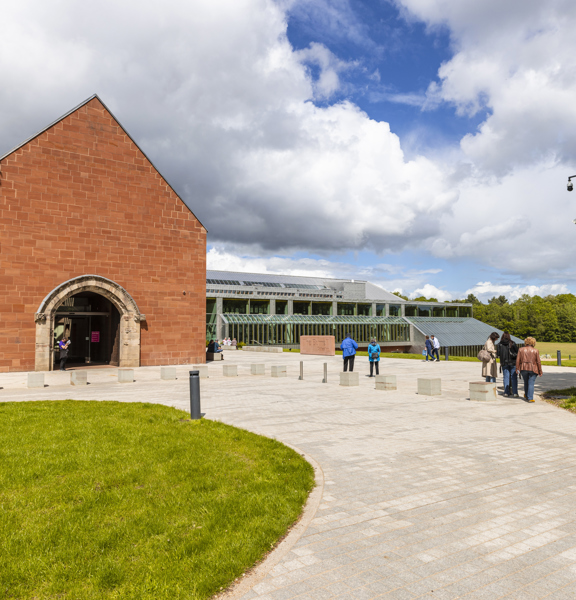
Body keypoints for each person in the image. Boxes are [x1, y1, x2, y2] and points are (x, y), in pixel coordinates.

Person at [516, 337, 542, 402]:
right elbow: (538, 362)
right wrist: (540, 371)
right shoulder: (536, 350)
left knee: (526, 382)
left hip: (523, 368)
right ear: (533, 343)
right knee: (531, 383)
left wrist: (517, 368)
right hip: (533, 368)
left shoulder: (521, 349)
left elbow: (517, 360)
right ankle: (530, 398)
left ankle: (527, 395)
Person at [497, 332, 519, 397]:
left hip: (504, 362)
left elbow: (498, 354)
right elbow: (517, 352)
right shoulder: (512, 343)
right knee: (514, 378)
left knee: (506, 377)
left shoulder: (500, 344)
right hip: (513, 362)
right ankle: (515, 393)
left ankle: (506, 392)